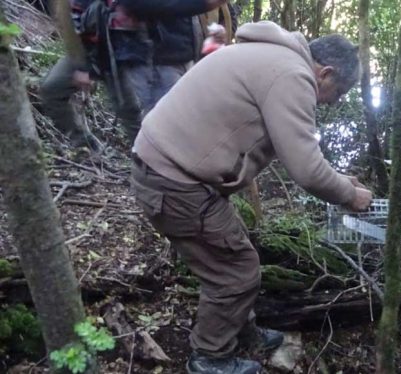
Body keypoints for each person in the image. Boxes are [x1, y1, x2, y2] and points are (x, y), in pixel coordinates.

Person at [130, 21, 373, 373]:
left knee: (236, 252)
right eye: (338, 93)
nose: (333, 103)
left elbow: (299, 151)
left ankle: (241, 332)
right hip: (174, 180)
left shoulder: (271, 56)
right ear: (326, 72)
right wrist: (349, 195)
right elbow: (305, 169)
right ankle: (210, 357)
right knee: (236, 272)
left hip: (168, 168)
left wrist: (341, 180)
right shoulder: (293, 76)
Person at [39, 0, 229, 150]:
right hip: (89, 51)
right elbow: (72, 24)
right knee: (51, 88)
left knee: (130, 113)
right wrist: (83, 66)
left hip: (121, 53)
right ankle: (85, 146)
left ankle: (147, 163)